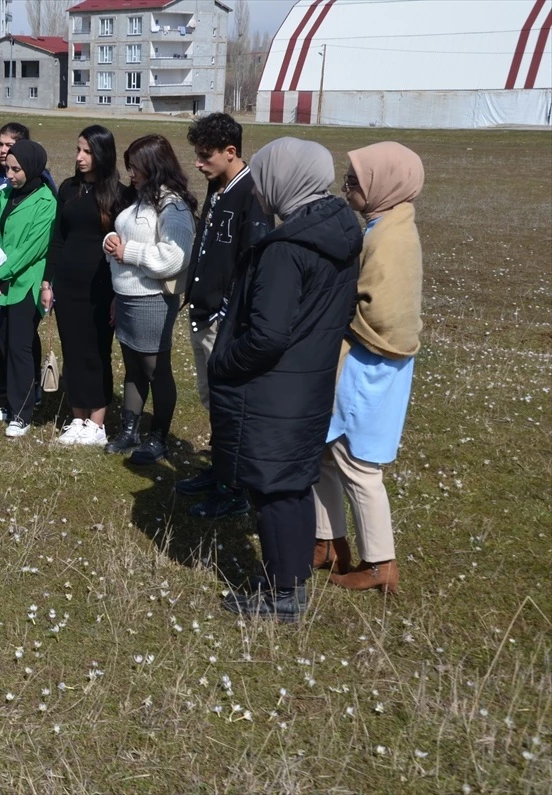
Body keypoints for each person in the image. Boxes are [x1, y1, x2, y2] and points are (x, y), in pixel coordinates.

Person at [212, 138, 361, 623]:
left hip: (275, 387)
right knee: (293, 485)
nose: (258, 185)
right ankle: (289, 580)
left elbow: (268, 335)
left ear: (285, 179)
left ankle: (282, 597)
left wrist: (226, 360)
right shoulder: (337, 231)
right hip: (310, 380)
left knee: (273, 491)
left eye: (264, 174)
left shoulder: (286, 250)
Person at [312, 142, 425, 594]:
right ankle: (328, 540)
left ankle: (380, 563)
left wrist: (335, 321)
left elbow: (388, 319)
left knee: (357, 464)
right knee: (323, 452)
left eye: (355, 180)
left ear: (385, 183)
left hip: (368, 368)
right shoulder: (385, 224)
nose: (347, 187)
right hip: (362, 362)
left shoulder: (389, 237)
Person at [177, 113, 273, 518]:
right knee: (212, 399)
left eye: (205, 156)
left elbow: (252, 263)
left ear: (231, 152)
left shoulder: (252, 194)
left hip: (224, 321)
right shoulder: (217, 188)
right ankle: (219, 470)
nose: (198, 163)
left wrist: (229, 315)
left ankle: (234, 488)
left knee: (230, 405)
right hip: (203, 311)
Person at [102, 135, 197, 463]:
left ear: (155, 166)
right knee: (132, 368)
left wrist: (128, 251)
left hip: (152, 299)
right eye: (129, 166)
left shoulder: (173, 206)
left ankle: (158, 438)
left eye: (136, 166)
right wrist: (112, 240)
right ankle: (130, 431)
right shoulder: (142, 199)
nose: (130, 172)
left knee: (156, 370)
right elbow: (123, 235)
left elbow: (174, 257)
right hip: (126, 295)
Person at [44, 125, 124, 447]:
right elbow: (58, 239)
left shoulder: (119, 194)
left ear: (102, 154)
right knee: (73, 351)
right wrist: (48, 282)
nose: (79, 157)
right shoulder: (67, 189)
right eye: (78, 150)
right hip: (67, 284)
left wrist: (118, 295)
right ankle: (77, 417)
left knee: (97, 351)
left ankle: (97, 421)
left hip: (102, 287)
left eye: (87, 152)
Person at [0, 139, 57, 438]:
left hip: (25, 284)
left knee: (20, 346)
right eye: (8, 169)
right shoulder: (5, 195)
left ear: (32, 169)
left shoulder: (46, 202)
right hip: (1, 281)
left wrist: (2, 272)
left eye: (16, 169)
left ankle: (22, 413)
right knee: (6, 343)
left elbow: (33, 248)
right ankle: (11, 404)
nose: (9, 175)